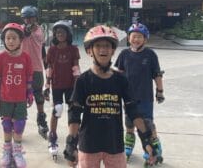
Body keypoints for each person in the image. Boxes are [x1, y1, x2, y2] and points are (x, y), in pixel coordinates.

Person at [63, 25, 157, 168]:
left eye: (107, 46)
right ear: (90, 51)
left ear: (113, 50)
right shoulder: (83, 80)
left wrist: (146, 139)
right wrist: (71, 144)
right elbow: (74, 114)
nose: (103, 50)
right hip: (88, 144)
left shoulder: (121, 80)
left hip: (114, 144)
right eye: (98, 46)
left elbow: (133, 111)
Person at [115, 23, 164, 163]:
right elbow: (120, 74)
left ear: (145, 39)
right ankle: (128, 148)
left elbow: (157, 74)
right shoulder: (124, 54)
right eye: (133, 36)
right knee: (129, 125)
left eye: (139, 37)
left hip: (145, 97)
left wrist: (160, 91)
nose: (136, 39)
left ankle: (156, 149)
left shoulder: (150, 54)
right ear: (129, 38)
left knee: (148, 125)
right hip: (128, 98)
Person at [0, 23, 34, 168]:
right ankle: (7, 150)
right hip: (5, 98)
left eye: (14, 38)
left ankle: (17, 151)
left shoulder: (26, 58)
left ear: (20, 40)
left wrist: (30, 92)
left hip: (20, 98)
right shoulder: (1, 57)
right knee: (7, 124)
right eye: (8, 38)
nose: (11, 41)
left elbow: (28, 77)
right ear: (4, 40)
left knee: (20, 124)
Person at [44, 20, 80, 158]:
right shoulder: (52, 50)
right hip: (57, 85)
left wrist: (78, 84)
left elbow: (76, 67)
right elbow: (49, 68)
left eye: (62, 32)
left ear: (68, 34)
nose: (60, 34)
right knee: (57, 110)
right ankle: (52, 137)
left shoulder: (73, 49)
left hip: (71, 85)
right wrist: (47, 86)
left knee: (73, 111)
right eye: (57, 32)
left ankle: (73, 137)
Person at [20, 5, 49, 139]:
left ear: (36, 18)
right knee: (20, 96)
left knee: (38, 96)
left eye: (31, 18)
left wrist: (47, 65)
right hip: (21, 68)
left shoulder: (41, 30)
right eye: (26, 18)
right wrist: (27, 28)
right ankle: (18, 122)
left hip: (37, 68)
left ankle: (41, 121)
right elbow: (24, 34)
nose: (28, 20)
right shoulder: (21, 29)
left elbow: (42, 49)